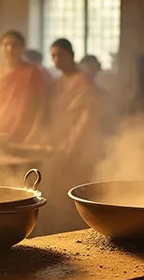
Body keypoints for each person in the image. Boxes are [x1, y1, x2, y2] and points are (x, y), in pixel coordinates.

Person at [37, 39, 101, 235]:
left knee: (76, 189)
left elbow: (85, 116)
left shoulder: (83, 79)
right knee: (57, 190)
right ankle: (60, 231)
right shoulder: (57, 82)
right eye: (53, 56)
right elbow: (52, 114)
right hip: (59, 142)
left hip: (80, 144)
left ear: (71, 55)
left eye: (61, 55)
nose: (57, 60)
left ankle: (79, 230)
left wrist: (71, 144)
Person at [0, 30, 49, 144]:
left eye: (14, 45)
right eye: (6, 45)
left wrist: (34, 132)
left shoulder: (32, 72)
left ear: (22, 48)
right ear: (0, 48)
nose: (10, 49)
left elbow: (42, 105)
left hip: (23, 132)